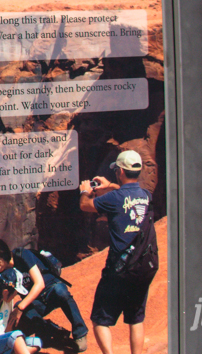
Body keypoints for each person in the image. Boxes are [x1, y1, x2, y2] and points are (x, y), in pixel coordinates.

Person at [79, 149, 156, 354]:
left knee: (100, 320)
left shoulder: (113, 198)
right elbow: (128, 193)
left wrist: (85, 190)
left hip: (119, 269)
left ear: (120, 171)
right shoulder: (146, 195)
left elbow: (85, 205)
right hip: (142, 265)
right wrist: (110, 186)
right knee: (135, 318)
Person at [0, 238, 89, 352]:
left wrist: (19, 308)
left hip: (51, 289)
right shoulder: (0, 272)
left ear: (3, 253)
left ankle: (80, 333)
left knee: (61, 292)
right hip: (35, 301)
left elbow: (39, 284)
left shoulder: (22, 255)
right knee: (17, 326)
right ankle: (53, 330)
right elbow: (6, 298)